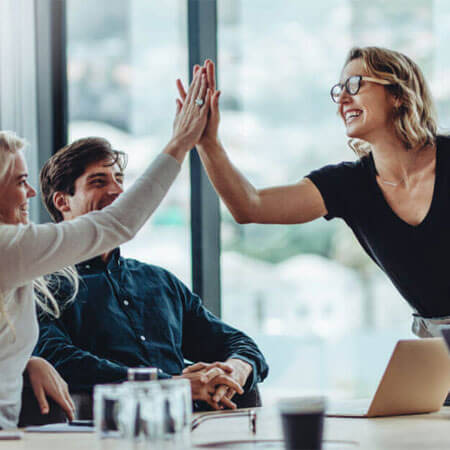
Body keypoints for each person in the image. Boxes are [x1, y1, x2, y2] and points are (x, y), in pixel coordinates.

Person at [176, 47, 449, 339]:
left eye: (355, 85)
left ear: (398, 94)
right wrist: (207, 143)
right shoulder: (348, 185)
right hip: (436, 347)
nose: (343, 99)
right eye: (339, 90)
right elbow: (249, 206)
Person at [0, 68, 210, 429]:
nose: (30, 193)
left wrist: (25, 363)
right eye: (20, 182)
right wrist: (179, 144)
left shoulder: (158, 281)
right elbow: (117, 223)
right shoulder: (12, 250)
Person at [34, 136, 268, 412]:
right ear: (62, 201)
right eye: (99, 182)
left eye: (119, 179)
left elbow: (238, 343)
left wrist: (235, 370)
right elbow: (58, 359)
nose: (118, 192)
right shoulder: (42, 286)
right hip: (107, 432)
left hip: (195, 429)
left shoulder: (159, 281)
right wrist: (169, 384)